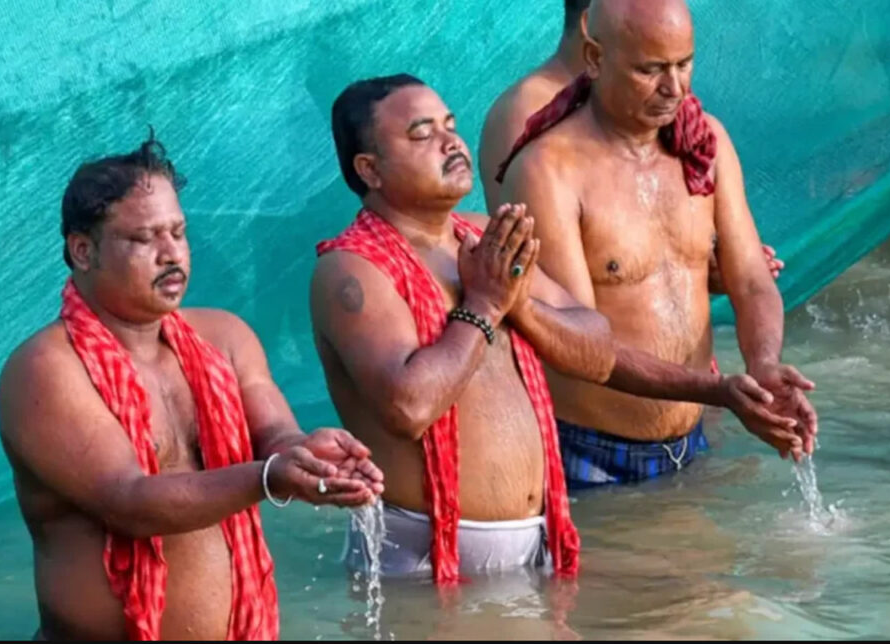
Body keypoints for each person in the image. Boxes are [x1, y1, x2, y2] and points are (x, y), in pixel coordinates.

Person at [310, 74, 802, 584]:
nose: (450, 142)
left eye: (450, 126)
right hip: (421, 562)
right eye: (421, 134)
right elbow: (409, 407)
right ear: (369, 168)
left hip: (538, 544)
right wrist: (484, 304)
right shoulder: (352, 270)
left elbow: (594, 346)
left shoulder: (483, 236)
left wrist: (517, 304)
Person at [0, 132, 384, 641]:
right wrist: (270, 477)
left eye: (178, 232)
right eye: (144, 238)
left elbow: (275, 436)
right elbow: (128, 502)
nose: (170, 254)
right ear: (83, 250)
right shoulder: (45, 370)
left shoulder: (224, 337)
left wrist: (308, 456)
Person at [495, 0, 818, 491]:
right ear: (595, 58)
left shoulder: (706, 141)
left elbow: (750, 278)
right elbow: (580, 343)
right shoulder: (548, 169)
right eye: (651, 70)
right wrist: (719, 390)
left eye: (684, 64)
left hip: (693, 439)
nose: (675, 88)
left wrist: (764, 368)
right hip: (589, 452)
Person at [478, 0, 783, 295]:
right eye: (649, 68)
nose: (674, 87)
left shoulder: (646, 103)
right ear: (594, 30)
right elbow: (549, 290)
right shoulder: (527, 112)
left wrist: (698, 265)